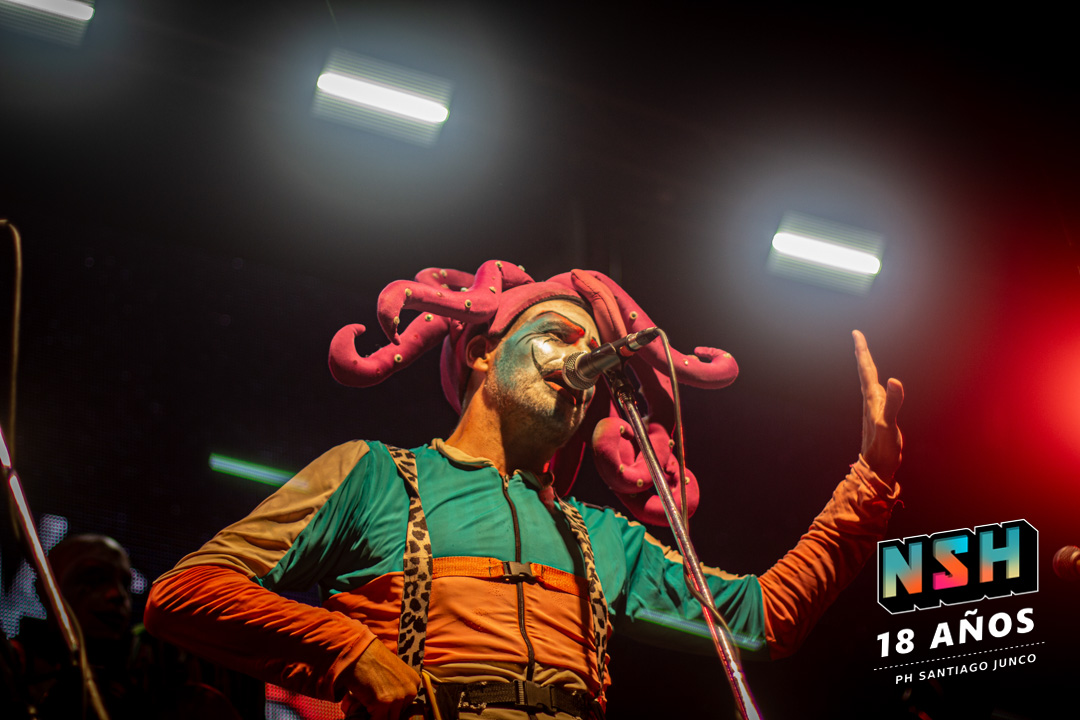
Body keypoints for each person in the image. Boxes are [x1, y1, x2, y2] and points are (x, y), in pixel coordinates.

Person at [144, 261, 905, 720]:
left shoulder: (600, 537)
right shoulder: (372, 474)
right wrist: (351, 651)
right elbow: (186, 592)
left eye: (597, 355)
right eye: (559, 337)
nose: (584, 362)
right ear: (482, 351)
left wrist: (869, 480)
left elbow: (762, 620)